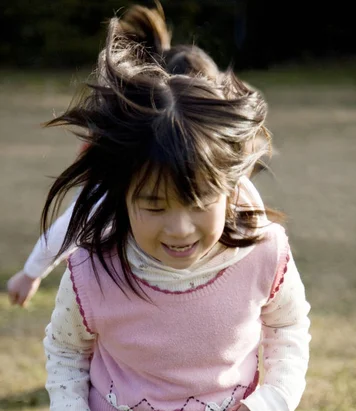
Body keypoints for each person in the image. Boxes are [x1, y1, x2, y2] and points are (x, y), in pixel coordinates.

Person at [29, 6, 310, 411]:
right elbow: (64, 348)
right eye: (153, 206)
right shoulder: (95, 266)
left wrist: (271, 403)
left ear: (230, 185)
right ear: (121, 194)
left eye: (198, 201)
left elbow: (289, 326)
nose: (179, 229)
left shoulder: (263, 250)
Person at [7, 2, 268, 309]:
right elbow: (74, 220)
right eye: (155, 206)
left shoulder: (233, 184)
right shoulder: (125, 176)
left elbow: (256, 226)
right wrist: (32, 272)